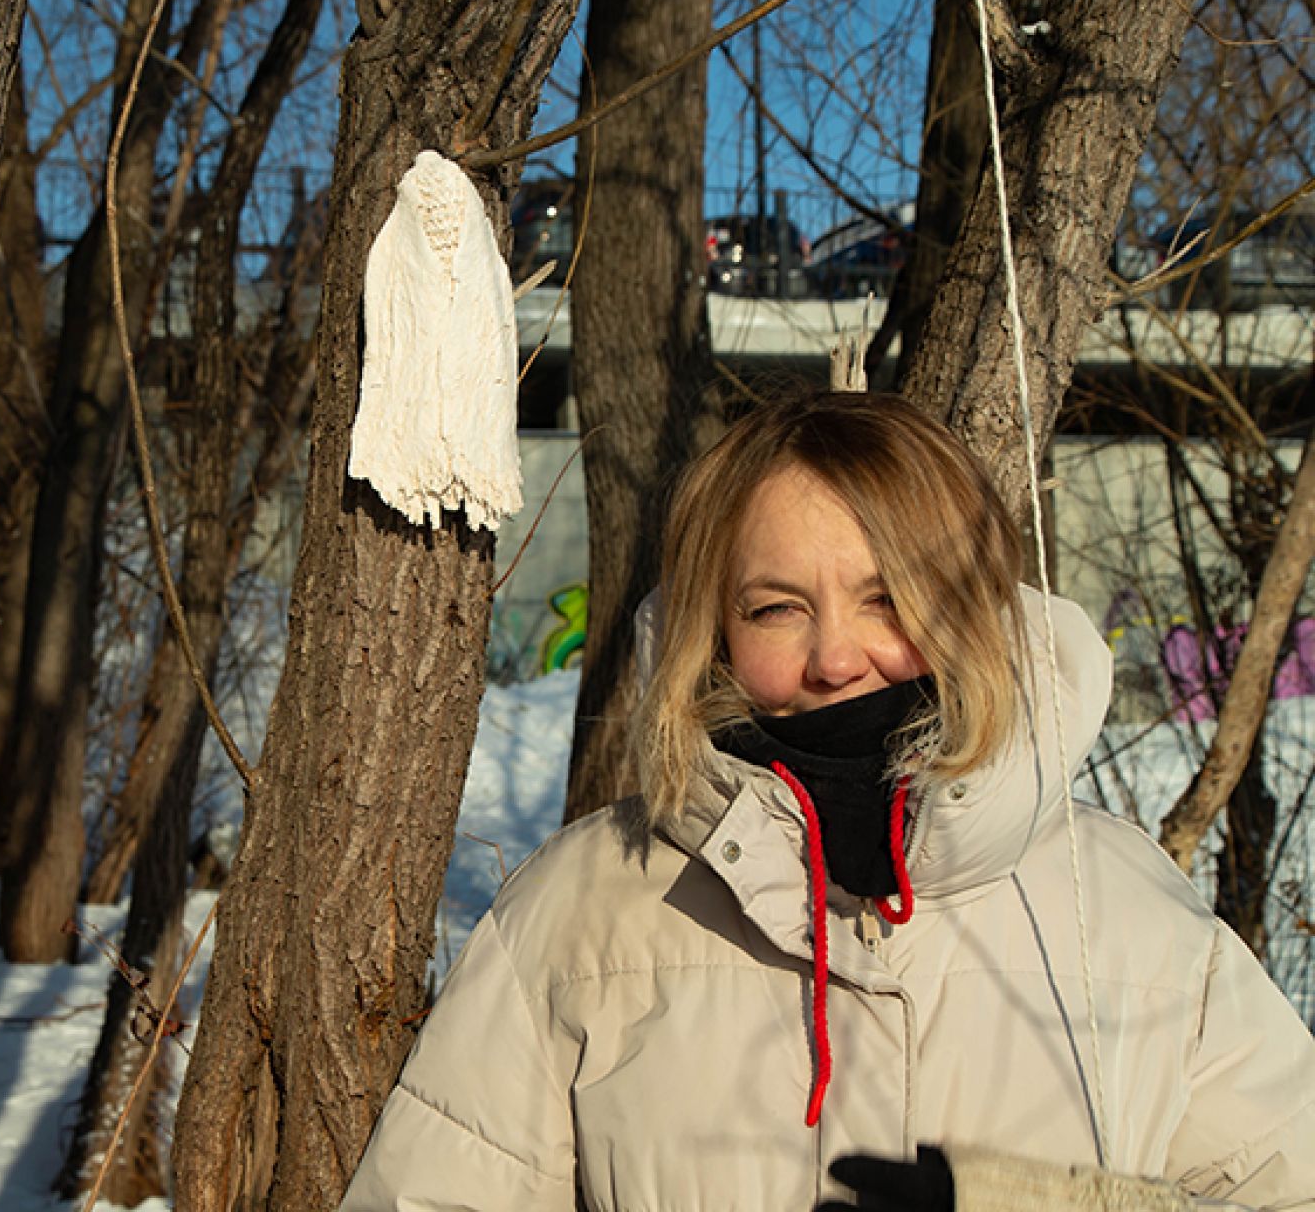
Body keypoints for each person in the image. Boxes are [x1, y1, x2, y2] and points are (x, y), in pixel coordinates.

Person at [340, 392, 1315, 1211]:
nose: (836, 658)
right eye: (776, 607)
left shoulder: (1130, 910)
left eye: (887, 598)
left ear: (974, 606)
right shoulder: (581, 908)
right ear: (712, 629)